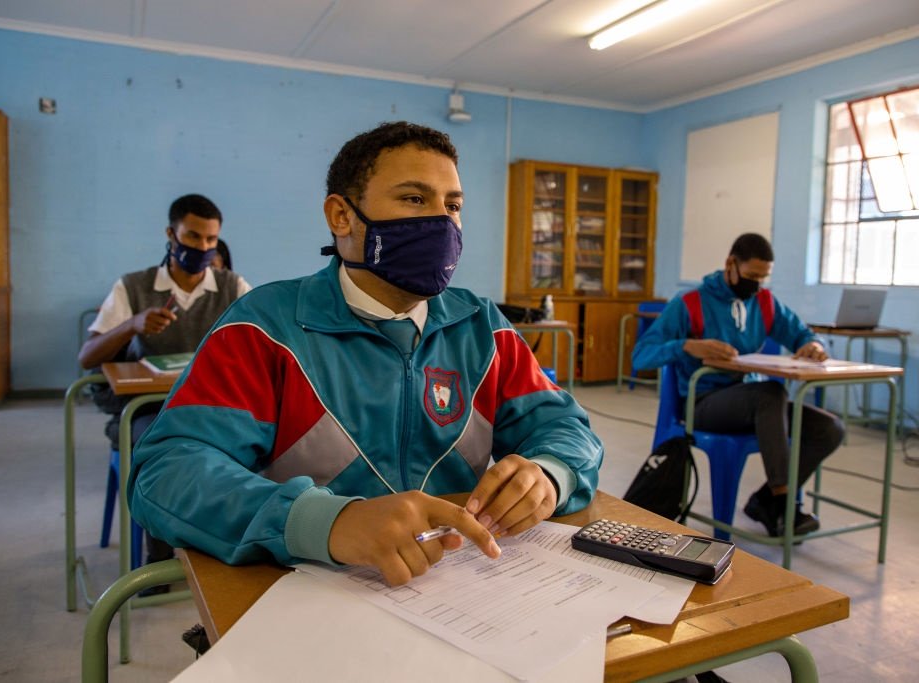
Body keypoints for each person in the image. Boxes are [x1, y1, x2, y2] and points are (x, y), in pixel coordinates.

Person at [129, 122, 603, 587]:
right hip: (309, 589)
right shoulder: (264, 328)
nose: (441, 221)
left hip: (460, 587)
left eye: (453, 205)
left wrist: (548, 473)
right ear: (342, 216)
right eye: (415, 199)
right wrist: (328, 522)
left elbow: (564, 428)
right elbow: (167, 472)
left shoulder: (483, 328)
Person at [632, 233, 844, 537]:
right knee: (770, 393)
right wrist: (688, 346)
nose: (756, 284)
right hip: (705, 403)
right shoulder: (690, 302)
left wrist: (813, 344)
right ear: (730, 264)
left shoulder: (765, 303)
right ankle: (783, 504)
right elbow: (641, 356)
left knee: (828, 429)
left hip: (757, 404)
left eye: (763, 278)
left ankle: (765, 502)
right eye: (751, 276)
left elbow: (801, 333)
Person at [79, 193, 251, 565]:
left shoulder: (232, 286)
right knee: (165, 450)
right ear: (171, 234)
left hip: (211, 406)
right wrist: (132, 325)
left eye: (210, 240)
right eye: (192, 237)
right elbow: (87, 357)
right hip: (151, 410)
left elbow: (263, 344)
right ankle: (161, 558)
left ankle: (224, 551)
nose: (202, 247)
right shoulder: (133, 287)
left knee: (253, 443)